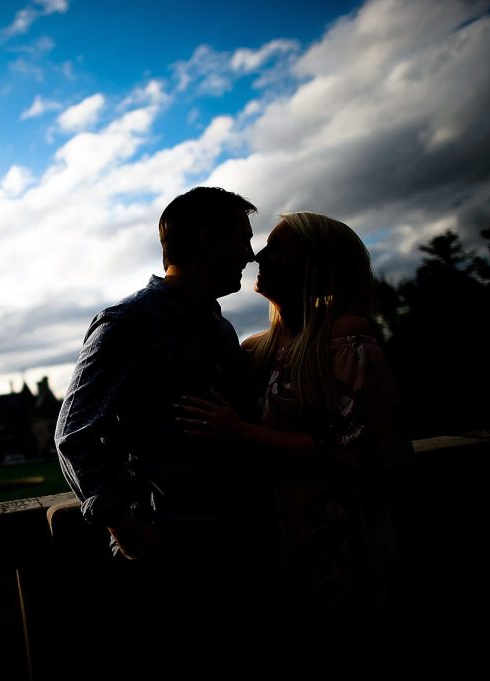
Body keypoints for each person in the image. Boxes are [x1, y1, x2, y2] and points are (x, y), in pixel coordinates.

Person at [52, 187, 264, 671]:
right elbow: (75, 434)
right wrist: (124, 528)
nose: (251, 256)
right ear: (209, 240)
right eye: (242, 240)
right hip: (169, 550)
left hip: (231, 544)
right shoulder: (127, 323)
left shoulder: (217, 325)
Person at [177, 211, 412, 632]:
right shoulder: (252, 351)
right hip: (270, 544)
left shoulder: (345, 339)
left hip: (339, 544)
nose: (258, 255)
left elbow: (353, 451)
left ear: (318, 264)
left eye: (279, 246)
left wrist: (240, 431)